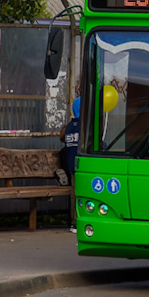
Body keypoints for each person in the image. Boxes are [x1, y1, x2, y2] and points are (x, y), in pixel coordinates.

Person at [61, 97, 81, 230]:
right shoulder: (84, 127)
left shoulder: (68, 128)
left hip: (71, 164)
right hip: (83, 165)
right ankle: (78, 221)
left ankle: (73, 223)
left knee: (74, 193)